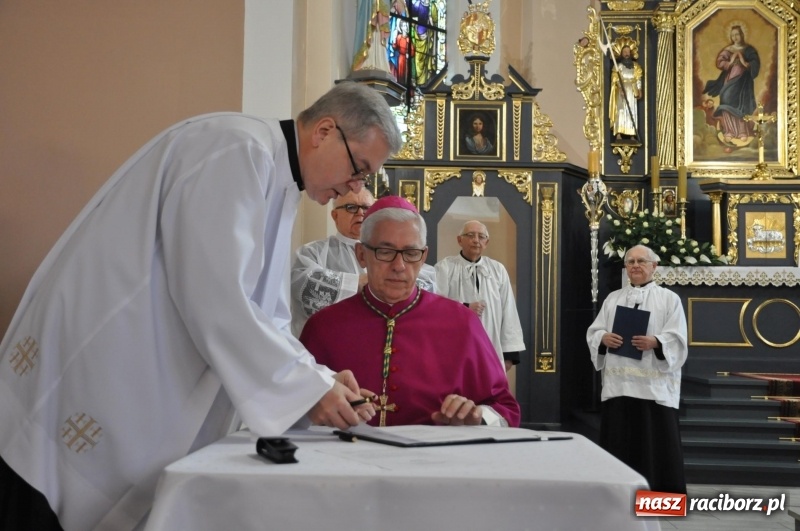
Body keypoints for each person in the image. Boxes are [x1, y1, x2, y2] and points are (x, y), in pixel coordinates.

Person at [0, 81, 402, 530]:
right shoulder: (235, 150)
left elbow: (264, 315)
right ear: (325, 131)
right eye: (359, 168)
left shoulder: (278, 180)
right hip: (93, 364)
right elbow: (217, 298)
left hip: (127, 372)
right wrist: (307, 390)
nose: (355, 186)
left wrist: (317, 380)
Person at [300, 196, 520, 428]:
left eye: (411, 253)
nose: (399, 266)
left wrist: (477, 418)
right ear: (362, 254)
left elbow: (505, 409)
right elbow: (288, 407)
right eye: (385, 251)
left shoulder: (463, 323)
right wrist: (315, 403)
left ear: (423, 257)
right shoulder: (323, 326)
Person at [586, 244, 688, 493]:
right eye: (630, 262)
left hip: (654, 390)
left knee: (656, 449)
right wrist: (603, 338)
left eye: (641, 261)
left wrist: (656, 342)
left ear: (654, 266)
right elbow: (594, 332)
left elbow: (678, 338)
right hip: (619, 388)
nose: (635, 266)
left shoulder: (669, 299)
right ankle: (618, 501)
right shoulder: (613, 299)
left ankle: (659, 504)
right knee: (620, 446)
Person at [290, 188, 438, 337]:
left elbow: (425, 291)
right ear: (335, 216)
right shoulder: (313, 252)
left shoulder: (405, 253)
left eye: (366, 208)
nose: (361, 213)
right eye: (351, 207)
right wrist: (359, 283)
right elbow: (302, 286)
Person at [435, 221, 525, 372]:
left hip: (491, 346)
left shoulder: (497, 270)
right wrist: (464, 307)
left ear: (486, 242)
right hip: (455, 348)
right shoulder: (444, 268)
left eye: (481, 236)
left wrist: (509, 355)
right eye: (470, 235)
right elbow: (436, 305)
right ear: (459, 240)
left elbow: (508, 310)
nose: (476, 240)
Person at [703, 25, 759, 146]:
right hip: (730, 79)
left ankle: (742, 131)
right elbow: (720, 62)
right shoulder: (728, 49)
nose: (735, 37)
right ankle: (729, 131)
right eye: (732, 35)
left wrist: (744, 62)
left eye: (737, 34)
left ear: (742, 35)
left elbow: (755, 63)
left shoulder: (748, 49)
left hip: (743, 81)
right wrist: (731, 61)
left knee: (741, 104)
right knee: (726, 99)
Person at [609, 44, 642, 141]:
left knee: (632, 110)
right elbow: (615, 78)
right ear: (622, 54)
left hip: (632, 90)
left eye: (628, 52)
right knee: (621, 110)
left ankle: (632, 134)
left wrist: (639, 89)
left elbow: (638, 78)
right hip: (622, 90)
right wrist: (620, 88)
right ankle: (618, 133)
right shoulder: (618, 66)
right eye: (625, 52)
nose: (627, 53)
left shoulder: (635, 66)